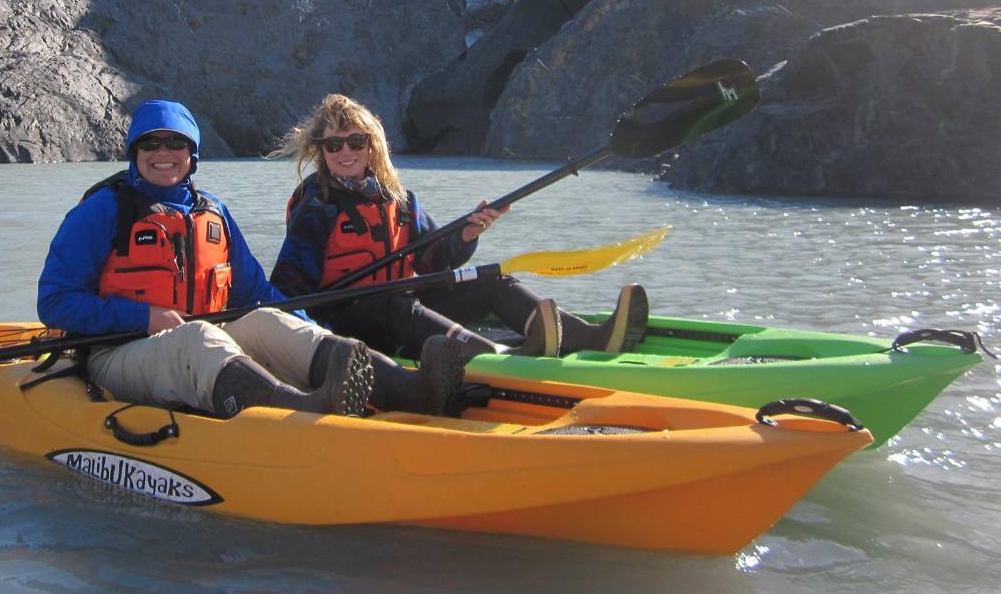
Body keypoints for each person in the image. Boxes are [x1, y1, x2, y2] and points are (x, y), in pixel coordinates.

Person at [37, 98, 469, 420]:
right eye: (151, 142)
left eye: (176, 143)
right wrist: (142, 317)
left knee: (267, 319)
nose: (163, 151)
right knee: (198, 338)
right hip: (119, 353)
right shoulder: (103, 209)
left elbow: (258, 292)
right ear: (135, 151)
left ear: (192, 155)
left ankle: (413, 391)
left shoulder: (213, 212)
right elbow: (55, 302)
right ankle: (303, 410)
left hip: (198, 337)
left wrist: (309, 328)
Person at [269, 93, 649, 361]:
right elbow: (288, 287)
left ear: (372, 146)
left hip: (401, 311)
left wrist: (467, 234)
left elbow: (436, 260)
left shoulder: (398, 200)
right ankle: (494, 357)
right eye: (334, 146)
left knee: (487, 279)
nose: (346, 152)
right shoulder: (315, 207)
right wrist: (313, 349)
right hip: (347, 327)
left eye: (355, 141)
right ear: (321, 152)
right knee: (393, 301)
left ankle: (588, 336)